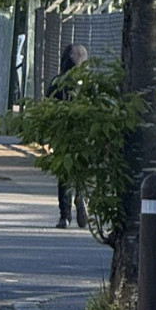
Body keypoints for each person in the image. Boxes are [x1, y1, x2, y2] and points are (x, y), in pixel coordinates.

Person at [49, 43, 90, 229]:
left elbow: (48, 109)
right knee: (80, 169)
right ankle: (81, 198)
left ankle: (65, 215)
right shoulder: (87, 86)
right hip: (83, 133)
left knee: (64, 174)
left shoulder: (57, 83)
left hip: (62, 132)